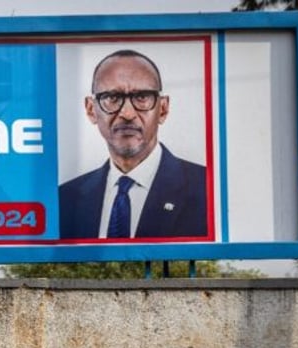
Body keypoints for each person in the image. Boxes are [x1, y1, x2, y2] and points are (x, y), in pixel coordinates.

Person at [58, 49, 208, 241]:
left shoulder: (207, 189)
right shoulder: (65, 199)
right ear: (91, 110)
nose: (127, 113)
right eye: (112, 97)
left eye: (142, 97)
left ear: (163, 109)